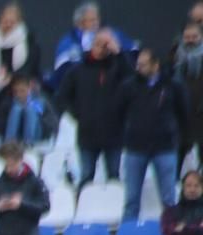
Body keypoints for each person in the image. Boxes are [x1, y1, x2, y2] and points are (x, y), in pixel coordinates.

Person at [115, 48, 186, 223]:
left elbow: (182, 112)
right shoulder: (129, 86)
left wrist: (172, 134)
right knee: (131, 199)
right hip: (135, 148)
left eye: (143, 64)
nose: (138, 68)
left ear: (155, 65)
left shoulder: (172, 85)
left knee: (169, 198)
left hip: (165, 147)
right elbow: (119, 111)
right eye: (138, 64)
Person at [55, 30, 129, 187]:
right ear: (92, 45)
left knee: (114, 177)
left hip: (114, 133)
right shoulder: (78, 70)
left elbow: (133, 80)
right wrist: (79, 114)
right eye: (99, 44)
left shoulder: (118, 68)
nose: (102, 48)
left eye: (106, 45)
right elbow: (61, 97)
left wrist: (119, 54)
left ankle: (112, 209)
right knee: (87, 176)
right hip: (87, 133)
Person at [50, 3, 133, 91]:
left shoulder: (110, 34)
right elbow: (61, 75)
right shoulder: (68, 43)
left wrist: (117, 51)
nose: (96, 23)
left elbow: (132, 57)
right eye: (92, 20)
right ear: (80, 23)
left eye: (97, 19)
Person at [0, 73, 58, 151]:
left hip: (36, 134)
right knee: (16, 109)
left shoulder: (39, 101)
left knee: (30, 110)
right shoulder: (8, 103)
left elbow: (51, 122)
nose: (19, 95)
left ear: (29, 88)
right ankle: (9, 144)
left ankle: (28, 144)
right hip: (14, 134)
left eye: (22, 91)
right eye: (16, 91)